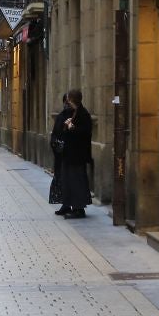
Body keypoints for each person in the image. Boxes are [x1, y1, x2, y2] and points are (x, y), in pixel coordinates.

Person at [58, 88, 93, 219]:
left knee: (77, 181)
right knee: (69, 181)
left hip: (77, 156)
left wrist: (72, 127)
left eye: (69, 99)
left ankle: (79, 208)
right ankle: (70, 205)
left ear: (73, 100)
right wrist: (67, 126)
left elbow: (85, 133)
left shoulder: (83, 114)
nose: (67, 102)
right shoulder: (75, 113)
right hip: (70, 155)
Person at [50, 93, 75, 215]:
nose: (67, 104)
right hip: (61, 154)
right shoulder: (61, 116)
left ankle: (75, 206)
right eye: (66, 101)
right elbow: (55, 133)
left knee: (71, 180)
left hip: (72, 155)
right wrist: (56, 143)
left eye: (69, 102)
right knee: (62, 180)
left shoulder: (77, 115)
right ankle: (65, 205)